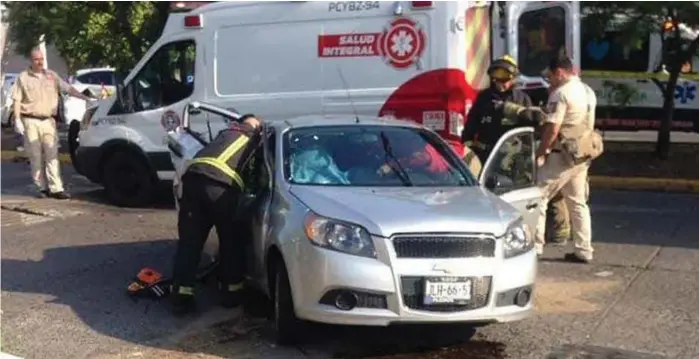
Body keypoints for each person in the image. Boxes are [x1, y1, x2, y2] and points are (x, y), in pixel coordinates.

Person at [170, 114, 263, 315]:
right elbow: (256, 177)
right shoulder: (254, 140)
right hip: (221, 188)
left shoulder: (226, 133)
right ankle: (231, 294)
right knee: (231, 242)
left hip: (193, 181)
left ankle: (181, 297)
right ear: (256, 126)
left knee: (190, 243)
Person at [535, 55, 596, 263]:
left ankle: (535, 248)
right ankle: (584, 249)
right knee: (578, 202)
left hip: (561, 156)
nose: (550, 80)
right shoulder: (588, 91)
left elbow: (553, 127)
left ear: (560, 72)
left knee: (538, 197)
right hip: (582, 154)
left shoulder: (560, 94)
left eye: (551, 76)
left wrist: (541, 151)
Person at [12, 47, 93, 199]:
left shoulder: (51, 76)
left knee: (52, 154)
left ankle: (56, 188)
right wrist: (17, 120)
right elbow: (17, 100)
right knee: (35, 157)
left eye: (41, 59)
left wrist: (84, 97)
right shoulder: (23, 78)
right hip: (31, 121)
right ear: (31, 61)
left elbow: (67, 88)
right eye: (36, 59)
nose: (40, 62)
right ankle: (41, 188)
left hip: (48, 121)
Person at [461, 55, 542, 164]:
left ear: (513, 78)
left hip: (512, 156)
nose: (499, 84)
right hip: (487, 155)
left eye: (504, 80)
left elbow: (531, 125)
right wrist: (469, 147)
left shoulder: (521, 98)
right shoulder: (485, 97)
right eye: (497, 80)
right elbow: (471, 124)